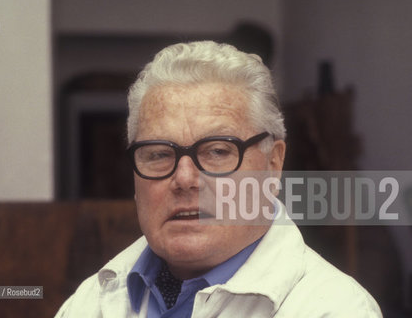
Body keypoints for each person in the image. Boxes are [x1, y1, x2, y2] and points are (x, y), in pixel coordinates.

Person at [55, 41, 382, 317]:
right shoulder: (89, 304)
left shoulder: (337, 309)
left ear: (273, 163)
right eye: (158, 154)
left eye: (217, 152)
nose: (184, 179)